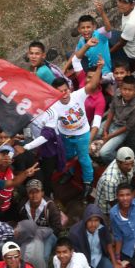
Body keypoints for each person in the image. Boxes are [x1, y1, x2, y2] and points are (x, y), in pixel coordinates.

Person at [47, 66, 103, 199]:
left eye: (66, 90)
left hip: (82, 135)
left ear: (70, 89)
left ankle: (88, 182)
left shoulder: (78, 95)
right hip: (65, 135)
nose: (64, 94)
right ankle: (70, 172)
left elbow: (93, 84)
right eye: (60, 92)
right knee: (67, 156)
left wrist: (100, 67)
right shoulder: (52, 106)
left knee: (84, 159)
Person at [97, 76, 135, 163]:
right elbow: (112, 110)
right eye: (124, 89)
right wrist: (105, 129)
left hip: (123, 130)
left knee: (105, 153)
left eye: (130, 90)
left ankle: (127, 162)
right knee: (94, 133)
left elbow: (127, 127)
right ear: (121, 88)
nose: (126, 92)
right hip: (113, 121)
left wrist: (109, 136)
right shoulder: (118, 92)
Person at [17, 179, 63, 260]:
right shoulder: (22, 206)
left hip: (49, 235)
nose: (34, 195)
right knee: (19, 251)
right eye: (31, 192)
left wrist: (41, 234)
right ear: (27, 194)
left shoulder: (50, 207)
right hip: (30, 234)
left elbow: (57, 228)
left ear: (42, 193)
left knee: (43, 256)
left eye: (37, 192)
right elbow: (20, 222)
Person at [104, 0, 135, 64]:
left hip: (129, 55)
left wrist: (107, 54)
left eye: (125, 2)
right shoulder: (133, 9)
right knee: (105, 34)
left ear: (132, 4)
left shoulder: (131, 23)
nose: (121, 4)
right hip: (130, 42)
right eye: (119, 0)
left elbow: (121, 44)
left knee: (107, 60)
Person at [95, 147, 135, 214]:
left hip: (122, 193)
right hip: (107, 209)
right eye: (126, 165)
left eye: (131, 163)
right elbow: (113, 203)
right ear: (118, 163)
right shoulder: (110, 180)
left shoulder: (130, 161)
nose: (130, 167)